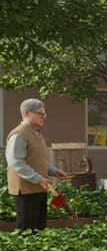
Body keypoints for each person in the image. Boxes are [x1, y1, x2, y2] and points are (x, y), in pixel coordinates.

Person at [5, 98, 67, 231]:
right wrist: (37, 178)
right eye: (40, 113)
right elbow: (16, 162)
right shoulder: (19, 135)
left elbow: (38, 160)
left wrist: (54, 171)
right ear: (27, 113)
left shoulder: (37, 133)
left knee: (39, 228)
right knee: (27, 229)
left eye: (44, 114)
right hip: (26, 190)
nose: (43, 117)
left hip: (39, 187)